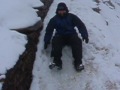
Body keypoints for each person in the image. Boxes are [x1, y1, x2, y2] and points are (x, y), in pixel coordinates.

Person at [44, 2, 89, 72]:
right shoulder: (54, 20)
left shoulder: (72, 17)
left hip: (71, 35)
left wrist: (84, 35)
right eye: (60, 10)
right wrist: (46, 41)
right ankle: (57, 62)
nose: (61, 12)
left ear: (66, 10)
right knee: (55, 42)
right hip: (60, 36)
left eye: (63, 10)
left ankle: (78, 63)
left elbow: (80, 25)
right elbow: (49, 30)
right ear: (57, 11)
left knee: (77, 42)